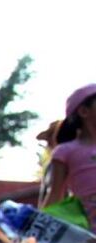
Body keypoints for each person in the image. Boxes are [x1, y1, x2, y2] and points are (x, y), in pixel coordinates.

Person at [41, 83, 96, 225]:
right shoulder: (65, 152)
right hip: (86, 236)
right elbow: (55, 194)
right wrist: (38, 228)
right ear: (84, 111)